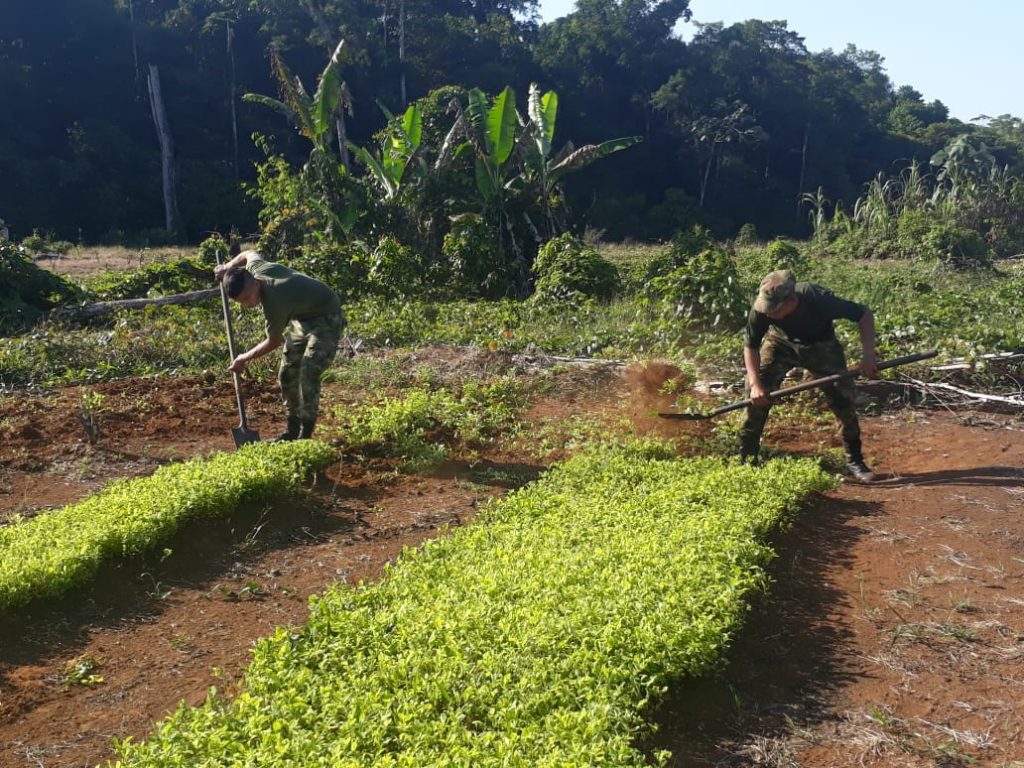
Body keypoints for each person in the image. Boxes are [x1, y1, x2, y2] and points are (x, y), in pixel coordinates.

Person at [740, 269, 879, 481]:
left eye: (774, 310)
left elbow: (863, 314)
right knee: (755, 396)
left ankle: (855, 461)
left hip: (821, 345)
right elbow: (750, 347)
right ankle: (746, 459)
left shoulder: (818, 299)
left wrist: (869, 355)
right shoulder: (761, 309)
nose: (768, 313)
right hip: (780, 344)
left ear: (791, 301)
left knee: (842, 399)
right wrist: (756, 384)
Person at [214, 250, 344, 441]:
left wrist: (243, 358)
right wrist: (227, 267)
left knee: (309, 370)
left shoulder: (274, 302)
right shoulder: (256, 268)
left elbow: (273, 342)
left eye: (249, 297)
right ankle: (291, 430)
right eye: (243, 301)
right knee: (287, 372)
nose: (249, 304)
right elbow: (249, 253)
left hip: (327, 314)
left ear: (256, 282)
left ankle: (305, 434)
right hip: (302, 318)